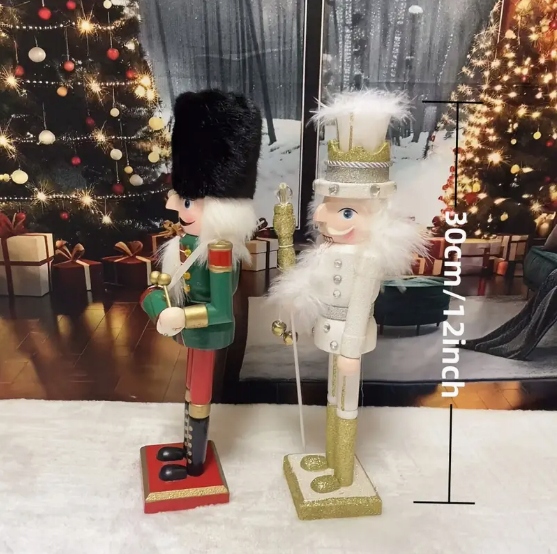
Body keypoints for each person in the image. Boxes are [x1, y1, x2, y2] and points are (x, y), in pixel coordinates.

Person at [140, 89, 261, 487]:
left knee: (201, 391)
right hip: (192, 332)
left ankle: (195, 465)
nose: (175, 207)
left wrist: (180, 314)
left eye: (188, 200)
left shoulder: (219, 251)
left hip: (207, 332)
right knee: (191, 388)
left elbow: (221, 310)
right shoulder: (189, 242)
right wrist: (162, 303)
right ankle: (189, 448)